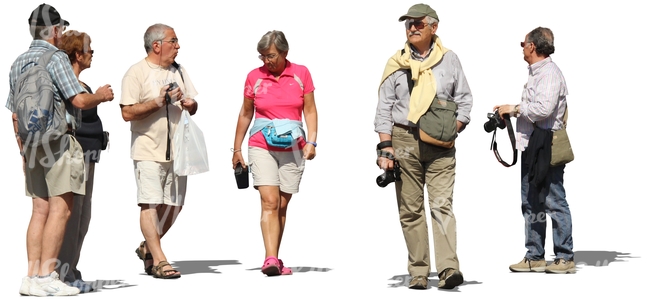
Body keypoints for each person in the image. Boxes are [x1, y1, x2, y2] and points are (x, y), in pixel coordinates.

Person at [8, 4, 114, 296]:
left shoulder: (18, 62)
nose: (62, 33)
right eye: (61, 29)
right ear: (54, 31)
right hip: (58, 141)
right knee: (62, 208)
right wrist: (101, 97)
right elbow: (78, 101)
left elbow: (14, 113)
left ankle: (31, 277)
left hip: (30, 144)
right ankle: (48, 275)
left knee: (39, 209)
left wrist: (22, 150)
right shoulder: (56, 58)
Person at [374, 4, 473, 289]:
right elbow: (384, 109)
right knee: (410, 209)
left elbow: (465, 99)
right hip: (403, 139)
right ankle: (419, 271)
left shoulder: (450, 59)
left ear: (434, 27)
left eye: (418, 23)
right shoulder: (396, 63)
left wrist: (451, 129)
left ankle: (448, 269)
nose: (412, 28)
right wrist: (385, 148)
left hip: (441, 144)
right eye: (408, 25)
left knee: (442, 205)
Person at [231, 30, 318, 276]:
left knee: (282, 204)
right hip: (261, 143)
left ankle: (275, 259)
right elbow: (246, 113)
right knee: (269, 201)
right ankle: (269, 258)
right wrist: (237, 148)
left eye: (270, 56)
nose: (266, 61)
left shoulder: (301, 73)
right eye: (262, 57)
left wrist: (312, 141)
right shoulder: (254, 77)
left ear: (284, 52)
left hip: (293, 145)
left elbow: (310, 110)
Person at [493, 27, 575, 274]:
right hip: (532, 144)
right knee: (531, 201)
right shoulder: (537, 72)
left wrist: (514, 109)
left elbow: (543, 110)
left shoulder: (549, 73)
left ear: (532, 46)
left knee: (553, 200)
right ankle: (535, 256)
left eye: (523, 43)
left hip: (547, 145)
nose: (522, 48)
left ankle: (564, 257)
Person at [120, 23, 198, 280]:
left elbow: (194, 104)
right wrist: (158, 101)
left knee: (175, 205)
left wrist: (189, 103)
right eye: (173, 41)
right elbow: (127, 112)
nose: (178, 46)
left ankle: (147, 248)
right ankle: (159, 259)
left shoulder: (179, 70)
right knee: (149, 203)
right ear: (157, 45)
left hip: (178, 149)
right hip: (147, 149)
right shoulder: (136, 73)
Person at [54, 30, 108, 293]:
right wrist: (99, 96)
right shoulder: (72, 86)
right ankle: (62, 272)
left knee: (83, 216)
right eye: (90, 50)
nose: (92, 54)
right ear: (77, 54)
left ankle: (71, 269)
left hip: (89, 156)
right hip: (76, 156)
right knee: (73, 216)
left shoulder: (79, 84)